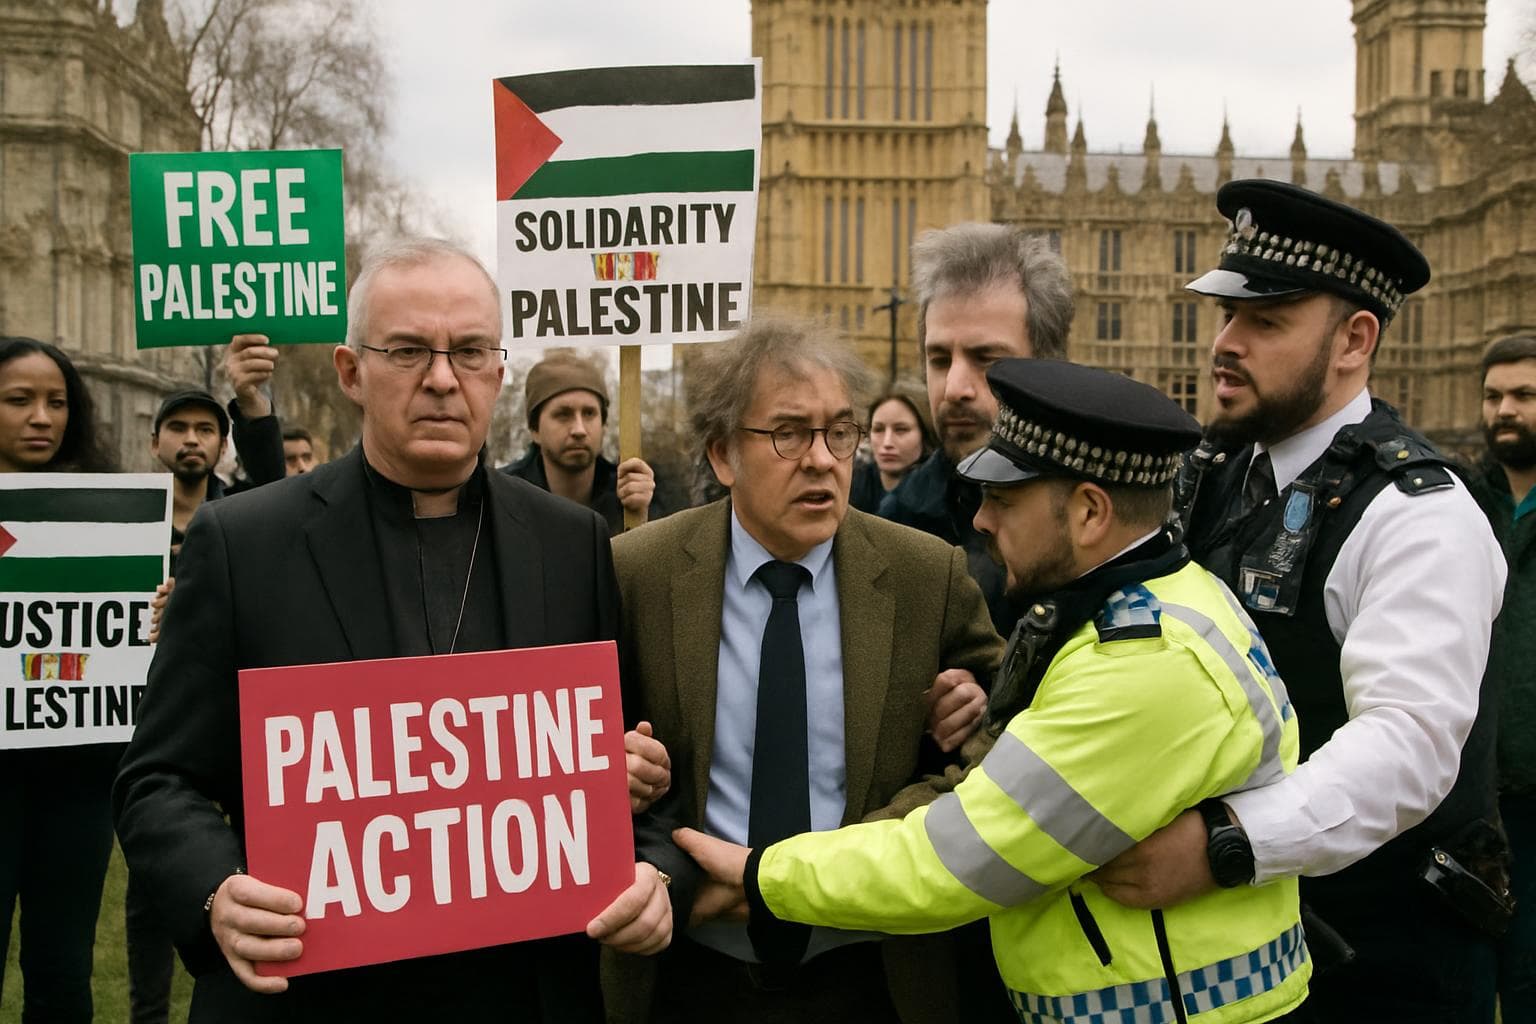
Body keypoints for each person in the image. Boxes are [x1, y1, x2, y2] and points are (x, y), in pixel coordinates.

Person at [113, 238, 673, 1024]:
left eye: (471, 351)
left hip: (524, 991)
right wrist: (216, 892)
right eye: (408, 350)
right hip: (316, 996)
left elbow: (625, 766)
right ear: (351, 372)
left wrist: (650, 865)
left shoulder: (572, 543)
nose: (443, 379)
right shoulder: (243, 543)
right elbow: (156, 781)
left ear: (498, 372)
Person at [675, 358, 1310, 1024]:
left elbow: (952, 859)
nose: (980, 521)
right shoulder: (1165, 600)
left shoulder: (1142, 666)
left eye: (1004, 500)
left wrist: (758, 876)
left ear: (1090, 512)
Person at [1092, 179, 1506, 1023]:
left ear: (1356, 340)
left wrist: (1225, 845)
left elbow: (1410, 746)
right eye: (1226, 316)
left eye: (1265, 322)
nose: (1226, 343)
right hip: (1243, 959)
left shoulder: (1417, 513)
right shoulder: (1220, 476)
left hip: (1378, 963)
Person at [607, 318, 1002, 1024]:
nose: (822, 460)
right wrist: (612, 770)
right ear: (723, 455)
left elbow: (1004, 740)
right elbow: (578, 750)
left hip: (871, 972)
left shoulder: (924, 574)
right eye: (789, 434)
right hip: (692, 975)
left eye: (840, 432)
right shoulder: (639, 571)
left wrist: (881, 838)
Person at [129, 337, 289, 1024]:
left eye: (206, 430)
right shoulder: (120, 520)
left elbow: (281, 486)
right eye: (180, 429)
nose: (192, 442)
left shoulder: (235, 525)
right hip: (112, 722)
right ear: (155, 441)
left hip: (205, 724)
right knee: (151, 878)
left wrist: (251, 401)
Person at [0, 336, 118, 1023]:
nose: (42, 417)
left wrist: (155, 610)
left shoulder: (108, 516)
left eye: (57, 402)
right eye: (19, 401)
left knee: (62, 965)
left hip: (77, 774)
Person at [879, 223, 1074, 634]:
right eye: (939, 360)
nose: (953, 389)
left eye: (986, 359)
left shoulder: (1100, 521)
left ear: (1047, 365)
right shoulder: (897, 521)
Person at [1469, 334, 1536, 1019]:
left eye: (1523, 396)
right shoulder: (1458, 500)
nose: (1504, 411)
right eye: (1493, 397)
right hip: (1473, 794)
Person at [501, 351, 658, 534]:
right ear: (535, 430)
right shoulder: (502, 498)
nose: (579, 430)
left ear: (604, 425)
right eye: (563, 415)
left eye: (589, 413)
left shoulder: (627, 494)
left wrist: (642, 515)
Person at [850, 382, 935, 513]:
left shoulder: (944, 495)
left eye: (901, 430)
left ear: (924, 434)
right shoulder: (853, 484)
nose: (887, 442)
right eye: (878, 429)